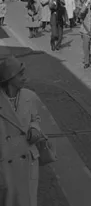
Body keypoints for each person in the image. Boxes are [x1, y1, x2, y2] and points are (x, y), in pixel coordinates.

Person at [0, 56, 47, 206]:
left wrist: (35, 128)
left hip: (28, 159)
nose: (25, 78)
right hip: (6, 163)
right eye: (20, 75)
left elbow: (36, 118)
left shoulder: (30, 96)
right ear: (9, 78)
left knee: (27, 200)